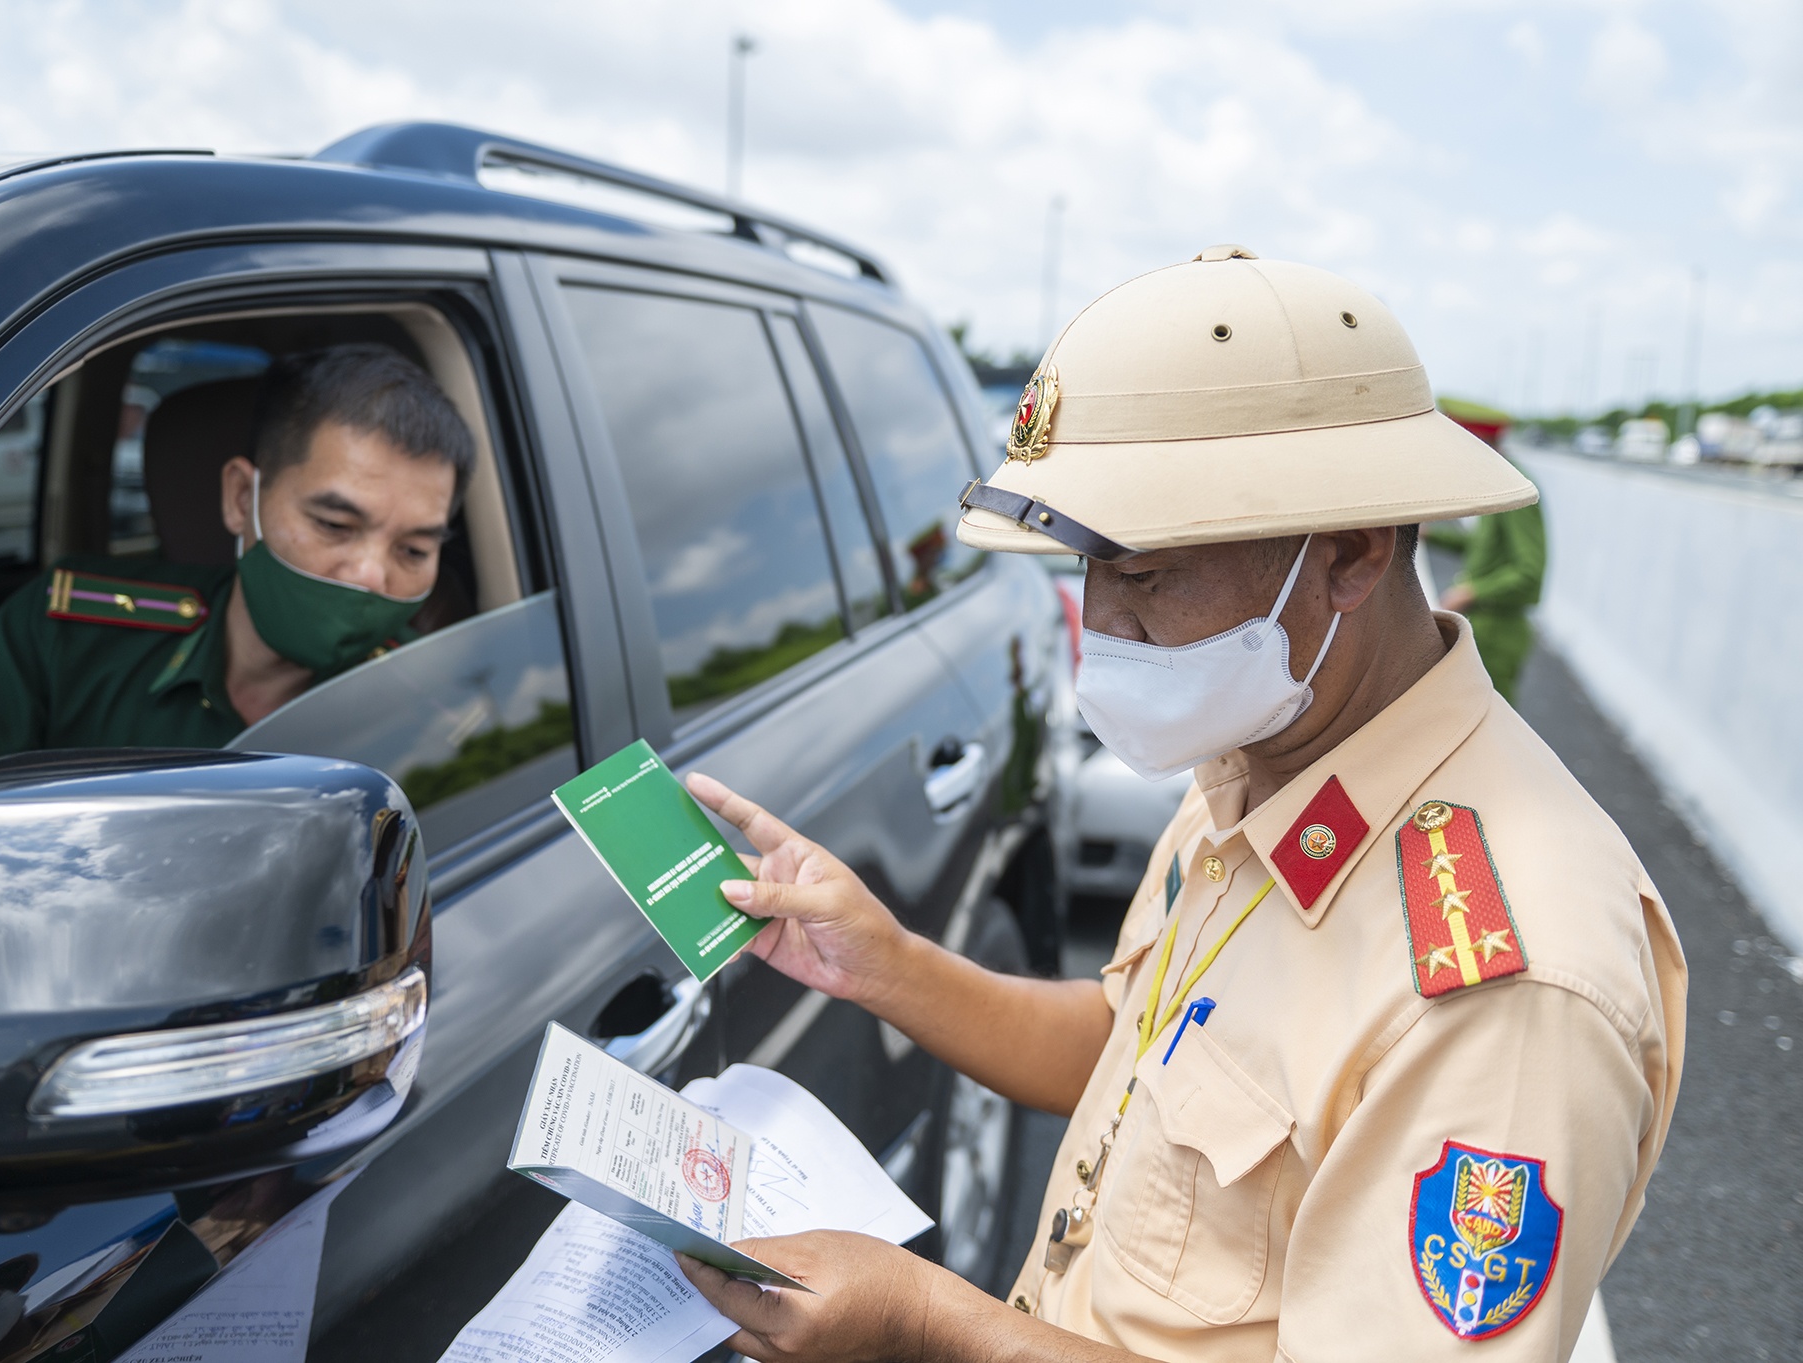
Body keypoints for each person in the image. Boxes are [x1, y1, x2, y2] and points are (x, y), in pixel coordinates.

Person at [674, 247, 1684, 1361]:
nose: (1099, 626)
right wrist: (883, 963)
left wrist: (927, 1322)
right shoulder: (1264, 753)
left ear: (1347, 552)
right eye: (1080, 570)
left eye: (1143, 575)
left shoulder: (1503, 982)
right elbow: (1134, 1047)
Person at [0, 343, 473, 837]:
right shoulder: (72, 628)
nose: (374, 576)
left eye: (414, 548)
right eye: (333, 523)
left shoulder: (438, 709)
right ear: (240, 499)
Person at [1423, 401, 1548, 702]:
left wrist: (1472, 590)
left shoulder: (1514, 489)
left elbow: (1529, 571)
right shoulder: (1500, 481)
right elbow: (1482, 548)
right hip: (1487, 624)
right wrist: (1432, 535)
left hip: (1498, 630)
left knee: (1490, 731)